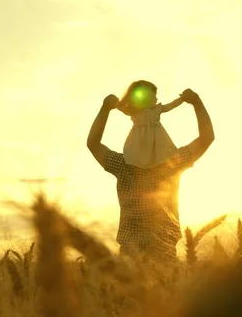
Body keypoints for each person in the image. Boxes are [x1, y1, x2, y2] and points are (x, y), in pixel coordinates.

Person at [86, 81, 215, 263]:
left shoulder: (123, 165)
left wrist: (105, 109)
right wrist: (196, 103)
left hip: (134, 259)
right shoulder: (173, 163)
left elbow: (93, 144)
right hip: (162, 256)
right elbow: (207, 138)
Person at [116, 80, 184, 168]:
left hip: (157, 138)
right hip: (138, 139)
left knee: (159, 154)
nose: (156, 98)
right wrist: (114, 102)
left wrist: (181, 99)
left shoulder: (156, 109)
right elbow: (121, 107)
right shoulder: (134, 111)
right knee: (138, 155)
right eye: (154, 95)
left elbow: (170, 106)